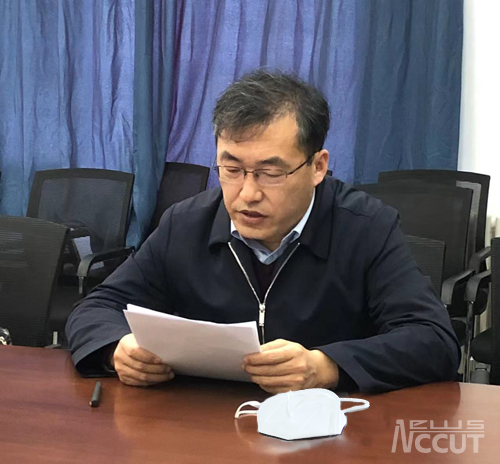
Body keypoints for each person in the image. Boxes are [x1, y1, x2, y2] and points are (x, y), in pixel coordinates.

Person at [66, 69, 460, 393]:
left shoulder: (367, 228)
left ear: (317, 166)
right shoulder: (186, 224)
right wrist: (118, 348)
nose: (247, 194)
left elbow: (433, 340)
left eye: (270, 173)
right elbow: (96, 308)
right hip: (204, 426)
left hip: (326, 431)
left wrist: (326, 367)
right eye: (232, 169)